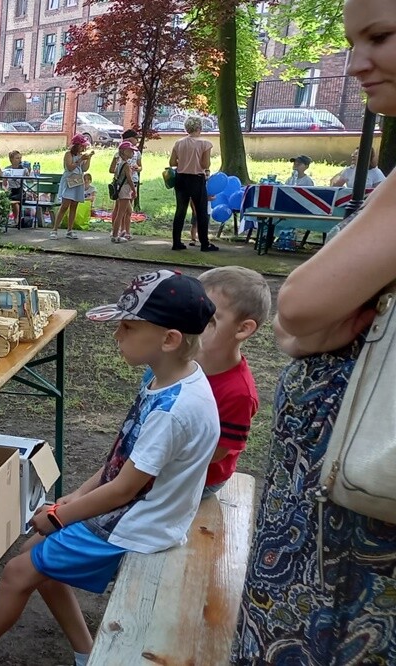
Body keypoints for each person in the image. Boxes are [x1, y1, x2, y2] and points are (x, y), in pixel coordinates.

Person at [0, 269, 219, 666]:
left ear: (169, 339)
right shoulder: (166, 378)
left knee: (17, 572)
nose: (117, 335)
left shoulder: (173, 411)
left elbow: (122, 489)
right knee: (34, 553)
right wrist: (73, 500)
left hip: (135, 528)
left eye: (128, 327)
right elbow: (121, 462)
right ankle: (85, 652)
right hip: (135, 513)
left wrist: (61, 515)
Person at [233, 0, 396, 660]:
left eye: (380, 37)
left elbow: (299, 307)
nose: (356, 62)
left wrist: (304, 334)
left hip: (350, 539)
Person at [194, 266, 269, 497]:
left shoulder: (239, 393)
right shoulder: (184, 359)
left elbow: (216, 454)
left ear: (243, 328)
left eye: (209, 317)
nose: (192, 322)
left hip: (202, 479)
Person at [169, 117, 218, 252]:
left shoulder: (178, 143)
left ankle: (176, 242)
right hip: (196, 179)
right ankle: (204, 243)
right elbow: (205, 164)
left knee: (180, 210)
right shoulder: (205, 143)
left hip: (181, 179)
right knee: (201, 211)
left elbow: (172, 162)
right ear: (199, 128)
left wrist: (184, 163)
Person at [49, 134, 93, 240]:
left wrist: (88, 159)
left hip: (78, 181)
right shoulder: (68, 154)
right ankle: (55, 229)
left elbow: (84, 169)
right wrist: (79, 160)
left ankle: (70, 230)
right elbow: (69, 167)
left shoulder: (81, 155)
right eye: (82, 146)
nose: (83, 148)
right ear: (76, 145)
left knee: (74, 206)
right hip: (69, 180)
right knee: (65, 206)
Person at [109, 142, 135, 243]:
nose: (133, 152)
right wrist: (134, 190)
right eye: (131, 150)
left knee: (128, 211)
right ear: (124, 151)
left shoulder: (120, 163)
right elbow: (129, 179)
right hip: (125, 190)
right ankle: (115, 235)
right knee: (120, 214)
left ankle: (121, 232)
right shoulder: (126, 165)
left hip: (120, 189)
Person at [3, 150, 30, 223]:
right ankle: (11, 219)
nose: (19, 160)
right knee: (9, 198)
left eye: (20, 158)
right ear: (11, 159)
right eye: (17, 158)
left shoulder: (24, 169)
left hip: (21, 190)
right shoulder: (7, 169)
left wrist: (29, 171)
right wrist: (4, 189)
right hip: (11, 190)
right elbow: (4, 182)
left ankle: (16, 219)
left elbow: (30, 180)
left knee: (16, 200)